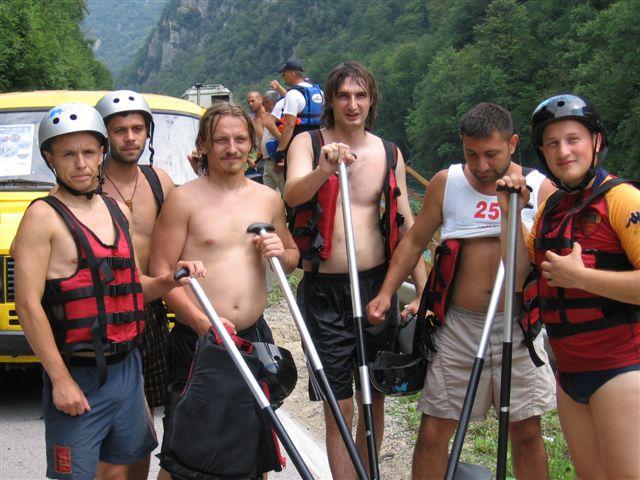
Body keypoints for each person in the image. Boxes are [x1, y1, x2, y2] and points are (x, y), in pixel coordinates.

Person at [12, 102, 204, 480]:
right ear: (50, 159)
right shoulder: (42, 217)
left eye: (88, 152)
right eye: (68, 154)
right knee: (77, 475)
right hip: (79, 370)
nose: (81, 163)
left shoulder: (116, 210)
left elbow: (132, 285)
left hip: (127, 368)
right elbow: (28, 305)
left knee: (121, 469)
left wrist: (169, 280)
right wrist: (60, 380)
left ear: (102, 153)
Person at [367, 102, 556, 479]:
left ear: (513, 144)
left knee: (525, 432)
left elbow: (549, 259)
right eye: (472, 154)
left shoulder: (539, 188)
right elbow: (414, 241)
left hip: (519, 326)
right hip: (458, 326)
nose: (482, 165)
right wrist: (387, 292)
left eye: (492, 154)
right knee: (434, 430)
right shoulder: (447, 183)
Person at [285, 61, 426, 479]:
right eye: (344, 96)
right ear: (330, 101)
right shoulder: (308, 143)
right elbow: (292, 194)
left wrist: (423, 288)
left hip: (376, 285)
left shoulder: (388, 152)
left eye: (360, 95)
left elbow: (406, 224)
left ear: (371, 100)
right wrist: (324, 170)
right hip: (323, 290)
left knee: (373, 393)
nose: (352, 104)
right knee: (339, 403)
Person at [150, 102, 298, 479]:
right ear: (203, 145)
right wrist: (203, 323)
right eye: (221, 140)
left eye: (240, 139)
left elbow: (291, 257)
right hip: (199, 341)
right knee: (185, 454)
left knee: (254, 446)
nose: (232, 148)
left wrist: (281, 252)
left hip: (253, 337)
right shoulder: (183, 199)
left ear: (251, 144)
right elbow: (162, 273)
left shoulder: (267, 198)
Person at [496, 94, 640, 479]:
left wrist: (582, 278)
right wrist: (509, 213)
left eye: (573, 139)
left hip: (621, 368)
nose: (563, 151)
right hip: (570, 370)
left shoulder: (622, 199)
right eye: (552, 143)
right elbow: (520, 273)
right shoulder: (552, 209)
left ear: (595, 141)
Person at [94, 89, 177, 479]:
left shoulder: (159, 181)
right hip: (105, 313)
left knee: (144, 425)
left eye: (137, 129)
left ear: (148, 132)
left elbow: (188, 230)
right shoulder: (88, 184)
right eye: (119, 130)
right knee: (114, 423)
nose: (130, 138)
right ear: (104, 135)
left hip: (152, 309)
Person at [273, 56, 324, 168]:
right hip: (318, 138)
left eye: (284, 74)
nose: (283, 77)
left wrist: (280, 150)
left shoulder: (293, 94)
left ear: (291, 74)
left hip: (299, 139)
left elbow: (289, 125)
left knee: (297, 172)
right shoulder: (319, 92)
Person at [261, 89, 286, 194]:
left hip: (276, 161)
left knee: (285, 193)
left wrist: (280, 160)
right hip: (267, 162)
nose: (262, 106)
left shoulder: (280, 117)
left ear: (270, 103)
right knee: (267, 195)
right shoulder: (269, 117)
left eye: (263, 103)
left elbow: (284, 139)